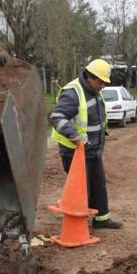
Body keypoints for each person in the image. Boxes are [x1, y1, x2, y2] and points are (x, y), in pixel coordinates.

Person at [49, 59, 123, 229]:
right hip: (75, 152)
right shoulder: (73, 92)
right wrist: (73, 135)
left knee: (98, 184)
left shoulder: (94, 90)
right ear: (91, 77)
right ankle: (77, 225)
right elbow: (56, 117)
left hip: (92, 150)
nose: (103, 86)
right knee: (81, 189)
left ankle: (102, 218)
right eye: (102, 82)